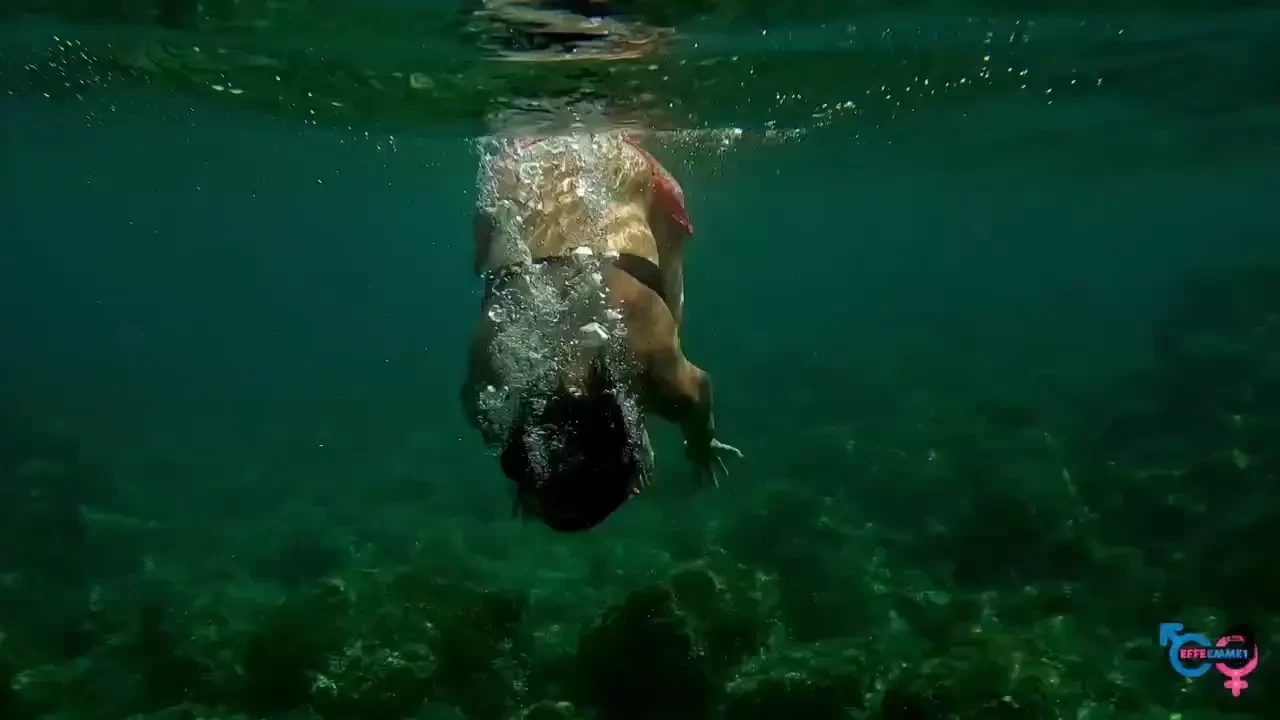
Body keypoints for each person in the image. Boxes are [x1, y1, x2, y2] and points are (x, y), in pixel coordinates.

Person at [461, 131, 741, 531]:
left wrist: (700, 443)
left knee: (671, 309)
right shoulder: (493, 380)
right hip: (520, 169)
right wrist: (527, 475)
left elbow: (699, 393)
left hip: (626, 170)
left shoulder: (661, 379)